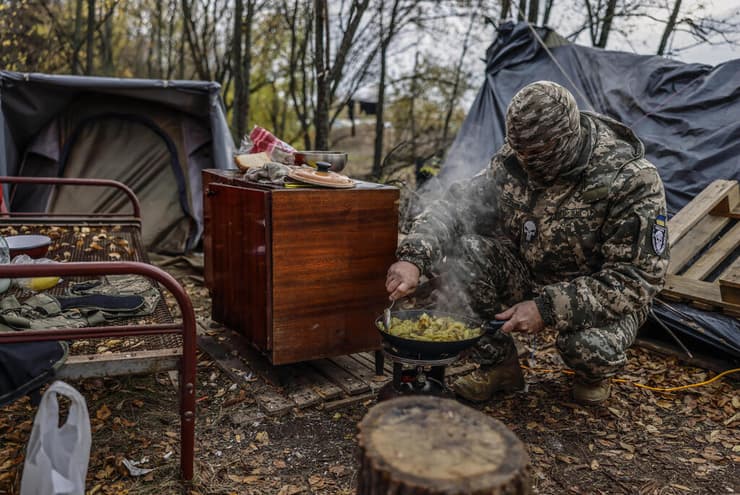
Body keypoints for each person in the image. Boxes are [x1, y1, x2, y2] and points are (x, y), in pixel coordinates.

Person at [386, 81, 669, 405]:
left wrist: (547, 308)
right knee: (467, 254)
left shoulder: (630, 178)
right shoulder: (513, 162)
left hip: (600, 293)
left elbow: (638, 278)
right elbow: (455, 207)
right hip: (530, 271)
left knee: (587, 347)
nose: (526, 164)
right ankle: (500, 367)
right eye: (519, 151)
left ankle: (594, 376)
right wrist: (413, 256)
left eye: (537, 155)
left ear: (566, 139)